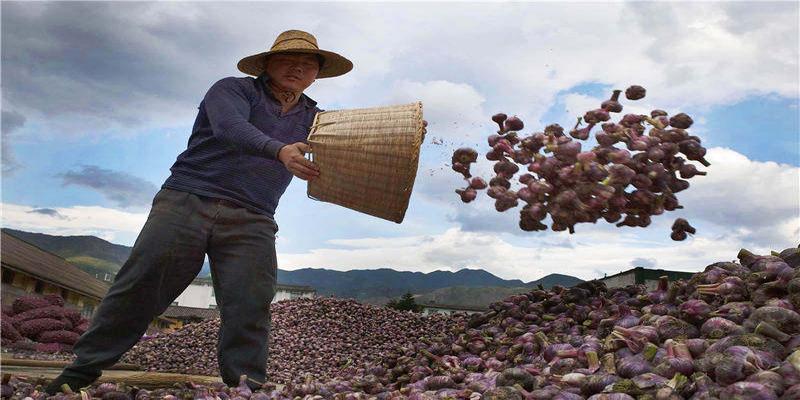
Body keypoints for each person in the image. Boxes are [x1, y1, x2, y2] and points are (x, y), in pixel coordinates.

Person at [45, 29, 354, 394]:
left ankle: (246, 385)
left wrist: (403, 136)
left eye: (307, 64)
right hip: (188, 199)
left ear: (317, 73)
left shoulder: (316, 119)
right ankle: (82, 370)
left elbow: (350, 148)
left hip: (253, 215)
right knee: (141, 286)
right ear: (267, 63)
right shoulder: (233, 90)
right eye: (288, 59)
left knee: (250, 302)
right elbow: (229, 127)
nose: (297, 68)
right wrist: (279, 149)